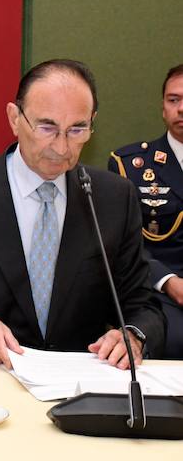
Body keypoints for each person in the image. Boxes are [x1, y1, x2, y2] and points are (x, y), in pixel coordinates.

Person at [0, 59, 165, 369]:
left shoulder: (113, 197)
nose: (62, 147)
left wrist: (133, 336)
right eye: (47, 127)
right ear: (14, 118)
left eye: (77, 129)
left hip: (81, 387)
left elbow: (144, 306)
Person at [108, 64, 183, 359]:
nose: (180, 109)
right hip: (160, 289)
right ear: (162, 108)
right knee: (174, 341)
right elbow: (122, 244)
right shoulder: (133, 165)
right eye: (173, 100)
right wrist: (170, 283)